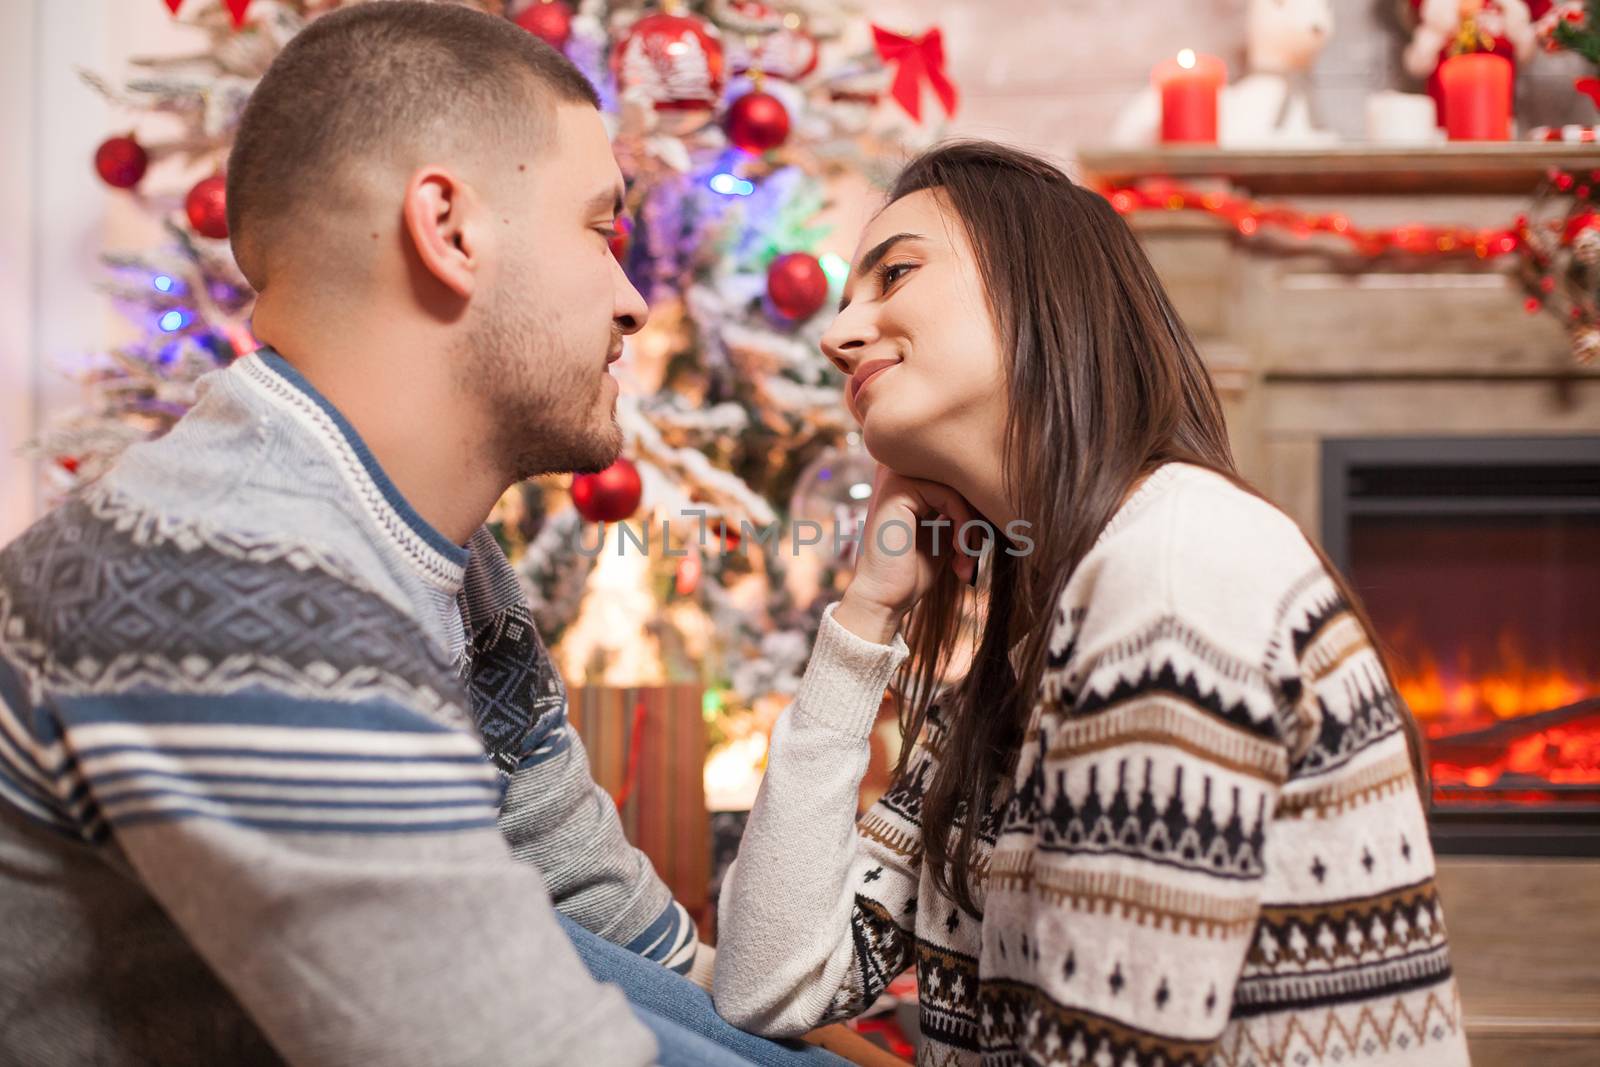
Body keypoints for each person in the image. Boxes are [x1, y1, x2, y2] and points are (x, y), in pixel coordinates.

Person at [0, 5, 842, 1065]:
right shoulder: (228, 576)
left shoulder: (432, 558)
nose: (634, 302)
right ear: (448, 228)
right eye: (602, 228)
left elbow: (619, 937)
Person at [712, 141, 1472, 1066]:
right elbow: (770, 981)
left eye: (896, 274)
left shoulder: (1173, 571)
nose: (836, 338)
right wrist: (865, 617)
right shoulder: (1019, 657)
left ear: (1043, 289)